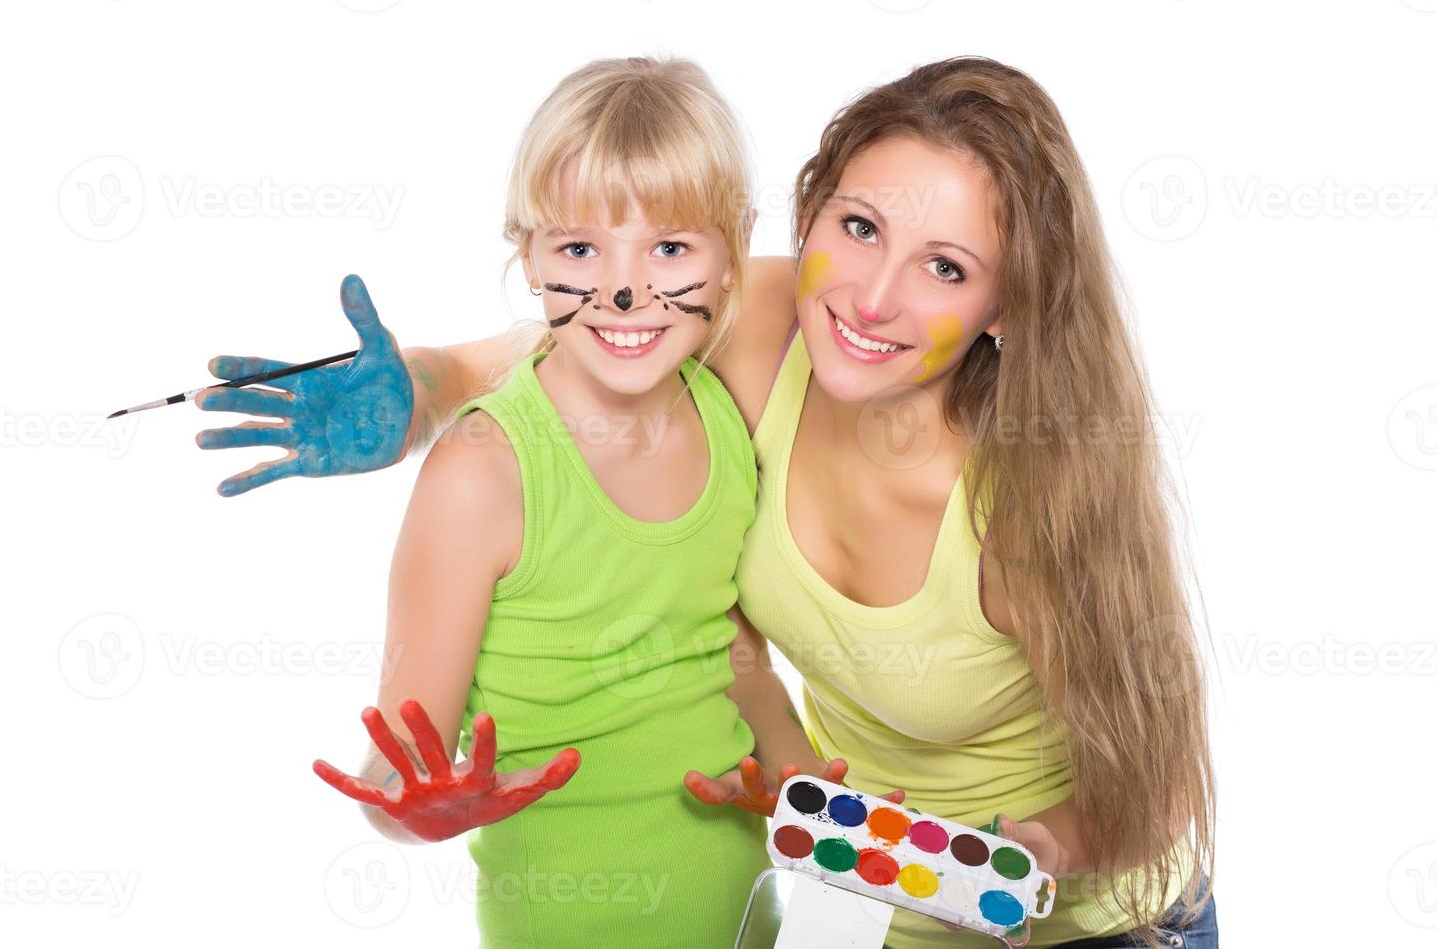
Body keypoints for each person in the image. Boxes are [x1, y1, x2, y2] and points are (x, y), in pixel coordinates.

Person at [199, 56, 1217, 948]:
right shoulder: (761, 321)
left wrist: (1027, 854)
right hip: (852, 905)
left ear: (1008, 306)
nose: (871, 298)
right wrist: (413, 389)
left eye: (945, 268)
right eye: (857, 228)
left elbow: (1162, 790)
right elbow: (569, 338)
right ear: (804, 216)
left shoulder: (1029, 507)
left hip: (1087, 918)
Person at [302, 57, 832, 948]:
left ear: (732, 251)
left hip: (749, 926)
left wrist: (819, 798)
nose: (627, 291)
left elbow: (739, 665)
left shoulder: (724, 421)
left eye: (670, 248)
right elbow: (400, 764)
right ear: (529, 253)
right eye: (582, 249)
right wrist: (415, 811)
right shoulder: (484, 470)